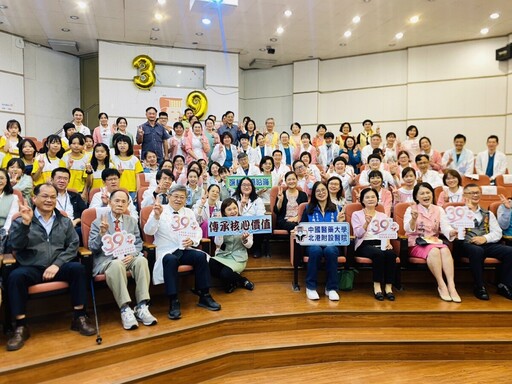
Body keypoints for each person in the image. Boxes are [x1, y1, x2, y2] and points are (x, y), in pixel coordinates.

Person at [6, 184, 96, 351]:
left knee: (78, 269)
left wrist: (57, 264)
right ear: (34, 199)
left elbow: (73, 245)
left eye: (53, 197)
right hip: (32, 266)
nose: (49, 200)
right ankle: (20, 326)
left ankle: (79, 317)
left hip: (57, 265)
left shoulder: (64, 220)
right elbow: (15, 245)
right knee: (15, 277)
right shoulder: (23, 219)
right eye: (45, 196)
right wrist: (25, 225)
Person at [144, 185, 221, 320]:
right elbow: (148, 231)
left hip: (184, 249)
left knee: (200, 256)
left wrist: (192, 241)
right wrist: (156, 216)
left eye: (182, 197)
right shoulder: (159, 210)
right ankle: (173, 300)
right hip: (167, 251)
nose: (179, 200)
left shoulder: (189, 212)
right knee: (171, 260)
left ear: (186, 199)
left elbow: (197, 231)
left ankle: (204, 295)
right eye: (176, 196)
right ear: (168, 197)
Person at [89, 189, 157, 330]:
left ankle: (142, 306)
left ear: (128, 204)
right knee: (116, 265)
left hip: (128, 257)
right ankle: (125, 309)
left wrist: (132, 254)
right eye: (117, 201)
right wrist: (102, 233)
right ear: (109, 202)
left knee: (141, 261)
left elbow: (138, 243)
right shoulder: (98, 222)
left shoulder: (131, 221)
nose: (120, 204)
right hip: (107, 260)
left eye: (123, 202)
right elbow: (92, 248)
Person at [404, 182, 460, 302]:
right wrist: (413, 219)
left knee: (445, 250)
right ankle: (441, 285)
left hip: (434, 241)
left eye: (428, 192)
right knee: (434, 251)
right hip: (416, 243)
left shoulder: (439, 209)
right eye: (422, 193)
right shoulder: (411, 209)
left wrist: (451, 232)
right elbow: (407, 229)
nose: (426, 195)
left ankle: (451, 285)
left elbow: (445, 227)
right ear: (416, 197)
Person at [460, 184, 512, 300]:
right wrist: (467, 211)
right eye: (471, 193)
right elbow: (453, 231)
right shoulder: (458, 212)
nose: (475, 195)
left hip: (486, 243)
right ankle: (479, 286)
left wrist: (485, 238)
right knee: (477, 251)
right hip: (466, 244)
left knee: (509, 251)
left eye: (477, 192)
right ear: (464, 195)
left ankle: (504, 285)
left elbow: (498, 232)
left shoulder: (488, 213)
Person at [299, 181, 346, 301]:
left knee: (331, 251)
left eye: (323, 190)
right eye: (318, 191)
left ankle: (331, 288)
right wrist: (297, 229)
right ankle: (311, 287)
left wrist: (340, 223)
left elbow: (341, 232)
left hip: (331, 243)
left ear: (328, 192)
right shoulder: (308, 208)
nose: (321, 193)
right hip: (313, 243)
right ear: (314, 194)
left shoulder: (336, 208)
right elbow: (302, 227)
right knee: (315, 250)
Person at [352, 187, 397, 301]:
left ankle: (388, 287)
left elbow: (387, 232)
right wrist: (366, 224)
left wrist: (388, 243)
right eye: (367, 197)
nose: (370, 199)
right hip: (364, 244)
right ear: (362, 200)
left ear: (377, 200)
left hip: (380, 242)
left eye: (373, 197)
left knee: (391, 254)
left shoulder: (383, 215)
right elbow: (358, 234)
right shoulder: (356, 214)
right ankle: (377, 286)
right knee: (378, 254)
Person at [210, 198, 255, 293]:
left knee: (225, 274)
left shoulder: (245, 222)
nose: (233, 211)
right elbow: (217, 243)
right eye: (229, 209)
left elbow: (250, 245)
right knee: (211, 264)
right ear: (224, 212)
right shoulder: (220, 223)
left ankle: (233, 282)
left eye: (235, 208)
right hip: (223, 255)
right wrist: (220, 228)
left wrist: (244, 239)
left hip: (238, 257)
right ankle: (241, 280)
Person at [232, 176, 267, 257]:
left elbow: (261, 214)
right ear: (240, 187)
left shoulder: (258, 199)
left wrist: (250, 223)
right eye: (244, 185)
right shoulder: (234, 199)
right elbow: (233, 215)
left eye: (249, 185)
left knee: (262, 225)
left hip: (254, 225)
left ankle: (257, 248)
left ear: (252, 187)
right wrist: (241, 205)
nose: (246, 187)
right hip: (239, 224)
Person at [51, 167, 87, 240]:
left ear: (69, 181)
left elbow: (85, 213)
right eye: (59, 178)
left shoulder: (75, 196)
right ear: (52, 179)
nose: (62, 181)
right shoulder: (47, 196)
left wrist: (76, 221)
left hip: (74, 227)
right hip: (54, 227)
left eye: (65, 179)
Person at [112, 134, 143, 202]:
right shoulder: (113, 159)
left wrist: (138, 191)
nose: (122, 145)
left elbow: (138, 177)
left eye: (125, 143)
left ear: (129, 145)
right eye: (120, 143)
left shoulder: (134, 159)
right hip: (118, 190)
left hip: (132, 191)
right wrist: (118, 173)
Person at [0, 168, 19, 233]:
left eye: (2, 178)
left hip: (3, 233)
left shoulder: (13, 198)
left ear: (6, 181)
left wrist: (3, 234)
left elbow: (10, 220)